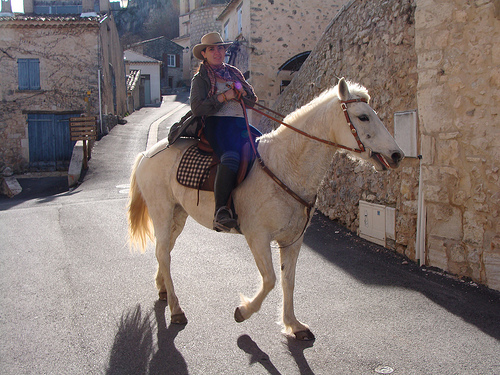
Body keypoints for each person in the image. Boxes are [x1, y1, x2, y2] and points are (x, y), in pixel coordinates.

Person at [190, 32, 260, 232]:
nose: (217, 52)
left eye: (220, 48)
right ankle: (221, 211)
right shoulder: (200, 78)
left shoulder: (234, 73)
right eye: (212, 49)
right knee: (229, 156)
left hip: (239, 124)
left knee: (264, 147)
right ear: (204, 54)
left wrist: (242, 93)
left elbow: (252, 100)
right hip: (216, 124)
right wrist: (224, 96)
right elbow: (197, 108)